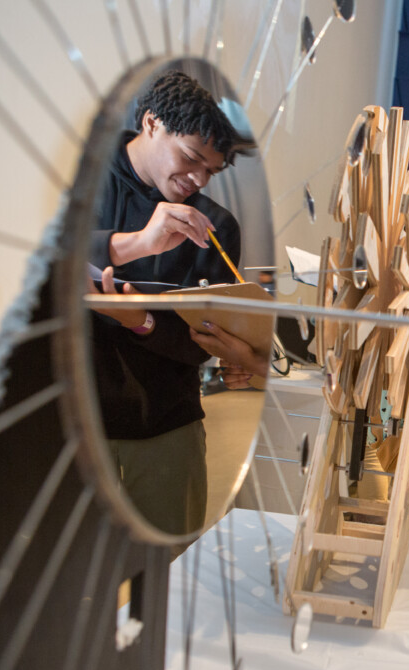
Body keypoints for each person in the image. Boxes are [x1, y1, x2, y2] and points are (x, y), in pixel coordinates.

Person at [89, 70, 249, 536]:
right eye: (190, 158)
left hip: (166, 427)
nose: (197, 179)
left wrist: (142, 321)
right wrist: (139, 243)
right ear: (151, 123)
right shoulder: (80, 177)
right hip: (69, 424)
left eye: (211, 171)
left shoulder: (215, 228)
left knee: (172, 579)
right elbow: (42, 257)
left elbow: (206, 342)